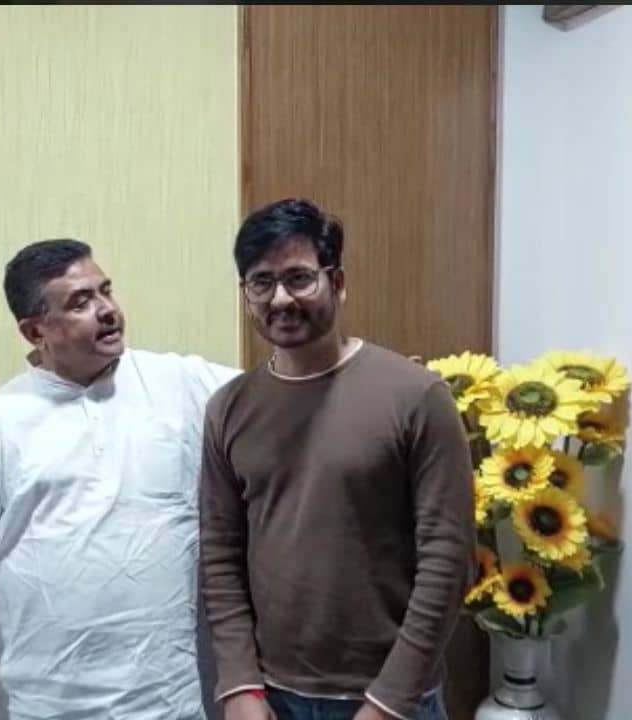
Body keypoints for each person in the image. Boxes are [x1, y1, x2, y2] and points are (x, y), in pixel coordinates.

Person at [0, 239, 239, 720]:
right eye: (80, 302)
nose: (107, 310)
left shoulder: (181, 384)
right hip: (45, 705)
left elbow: (282, 397)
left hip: (167, 701)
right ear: (35, 331)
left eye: (106, 291)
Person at [199, 199, 475, 720]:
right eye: (261, 283)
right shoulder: (229, 408)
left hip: (391, 699)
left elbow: (448, 560)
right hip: (271, 696)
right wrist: (238, 683)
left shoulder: (416, 396)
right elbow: (220, 555)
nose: (281, 298)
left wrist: (390, 701)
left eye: (299, 278)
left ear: (338, 282)